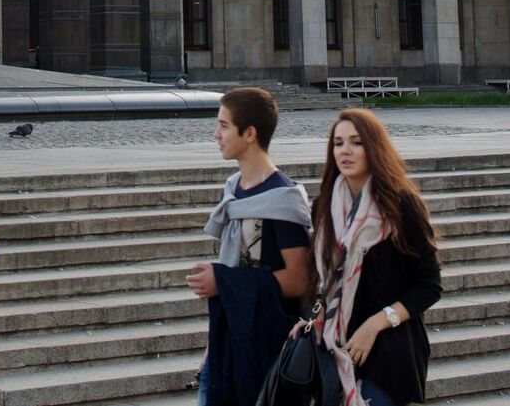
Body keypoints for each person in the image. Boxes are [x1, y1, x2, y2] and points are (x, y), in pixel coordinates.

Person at [305, 108, 441, 406]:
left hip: (390, 354)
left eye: (356, 142)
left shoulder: (401, 205)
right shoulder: (324, 208)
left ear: (374, 147)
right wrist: (312, 317)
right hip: (334, 349)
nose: (346, 151)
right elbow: (324, 281)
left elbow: (429, 286)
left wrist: (376, 324)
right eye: (338, 143)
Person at [189, 87, 313, 406]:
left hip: (265, 346)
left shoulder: (282, 198)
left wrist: (224, 281)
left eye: (224, 125)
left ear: (250, 134)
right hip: (227, 340)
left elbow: (300, 279)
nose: (216, 134)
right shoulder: (233, 189)